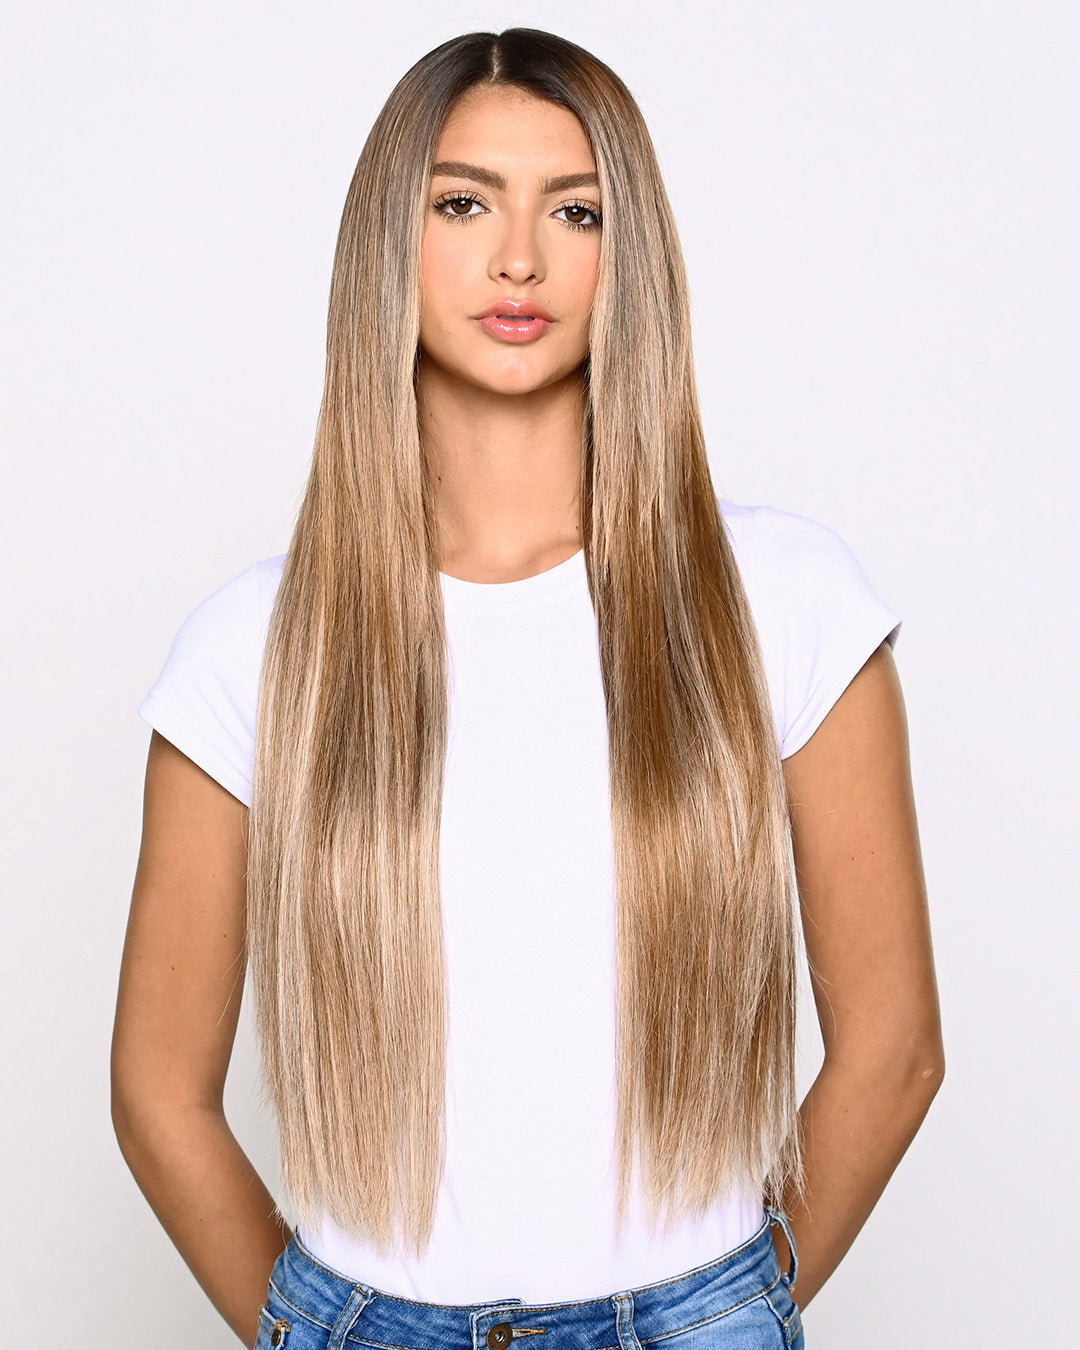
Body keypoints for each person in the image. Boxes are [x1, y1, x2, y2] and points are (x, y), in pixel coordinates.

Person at [111, 27, 944, 1350]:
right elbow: (158, 1091)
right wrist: (319, 1331)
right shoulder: (252, 649)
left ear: (630, 255)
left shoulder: (784, 599)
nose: (520, 259)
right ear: (391, 242)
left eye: (575, 211)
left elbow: (895, 1045)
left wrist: (731, 1310)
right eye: (463, 204)